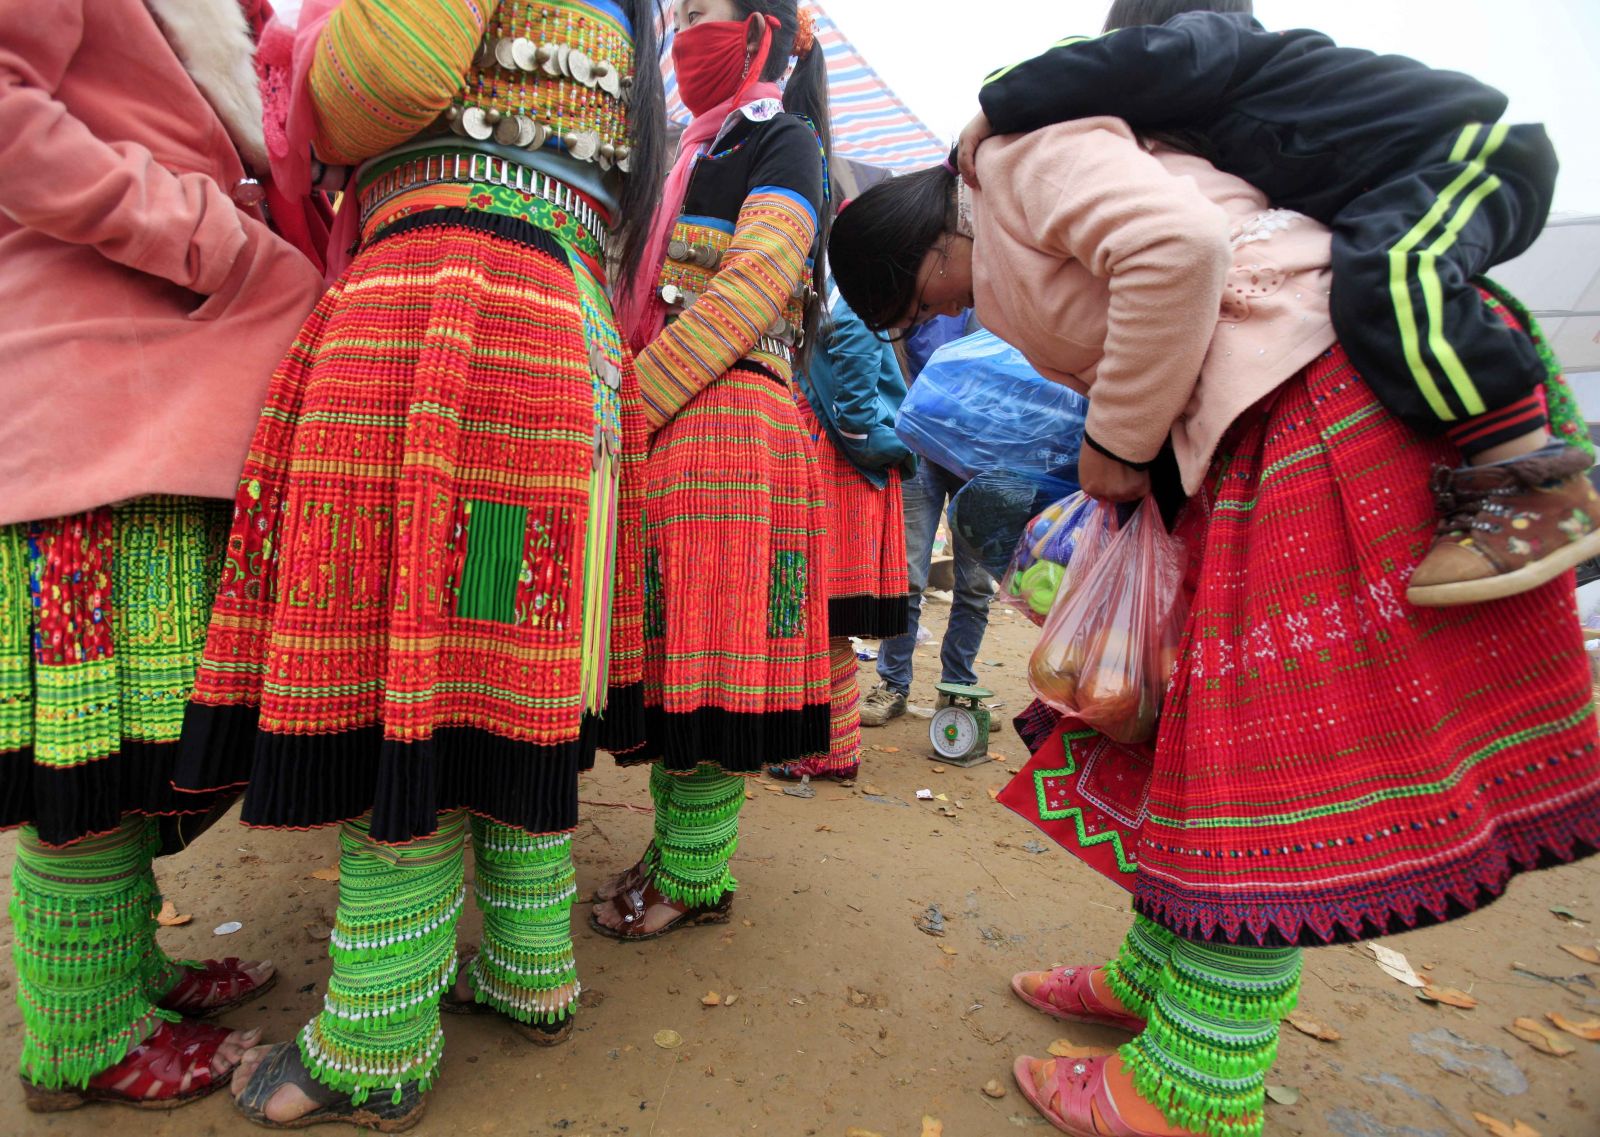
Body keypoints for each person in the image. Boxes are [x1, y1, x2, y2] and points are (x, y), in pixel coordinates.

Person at [829, 106, 1600, 1137]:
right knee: (1192, 742)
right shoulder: (1036, 191)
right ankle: (1157, 981)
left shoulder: (1015, 162)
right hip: (1268, 432)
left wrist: (1117, 440)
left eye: (906, 305)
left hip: (1317, 423)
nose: (925, 325)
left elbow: (1178, 251)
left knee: (1262, 762)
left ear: (921, 251)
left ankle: (1195, 1085)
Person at [170, 0, 666, 1125]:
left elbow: (380, 77)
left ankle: (376, 1038)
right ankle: (531, 972)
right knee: (495, 660)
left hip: (440, 315)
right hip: (556, 332)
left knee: (412, 673)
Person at [954, 0, 1600, 609]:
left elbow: (1105, 65)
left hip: (1461, 153)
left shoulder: (1212, 44)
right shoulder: (1210, 122)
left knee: (1391, 274)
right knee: (1369, 273)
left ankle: (1529, 475)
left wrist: (997, 104)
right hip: (1388, 191)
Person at [0, 0, 326, 1111]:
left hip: (159, 398)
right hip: (96, 400)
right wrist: (211, 236)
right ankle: (81, 1042)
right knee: (86, 764)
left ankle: (122, 973)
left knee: (133, 740)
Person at [589, 0, 834, 938]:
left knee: (709, 657)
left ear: (761, 31)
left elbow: (761, 273)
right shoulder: (678, 145)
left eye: (702, 13)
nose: (684, 31)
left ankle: (695, 872)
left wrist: (634, 396)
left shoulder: (785, 141)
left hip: (726, 418)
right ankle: (680, 851)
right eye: (678, 13)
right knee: (674, 654)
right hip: (672, 425)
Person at [769, 274, 913, 780]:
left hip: (837, 464)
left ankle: (826, 751)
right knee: (822, 615)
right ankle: (837, 747)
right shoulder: (838, 290)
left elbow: (854, 380)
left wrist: (851, 429)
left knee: (821, 611)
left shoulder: (846, 294)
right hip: (840, 459)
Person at [859, 312, 998, 729]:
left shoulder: (995, 292)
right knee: (906, 578)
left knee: (975, 583)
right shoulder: (911, 290)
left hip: (979, 450)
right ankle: (893, 685)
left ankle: (958, 687)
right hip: (919, 443)